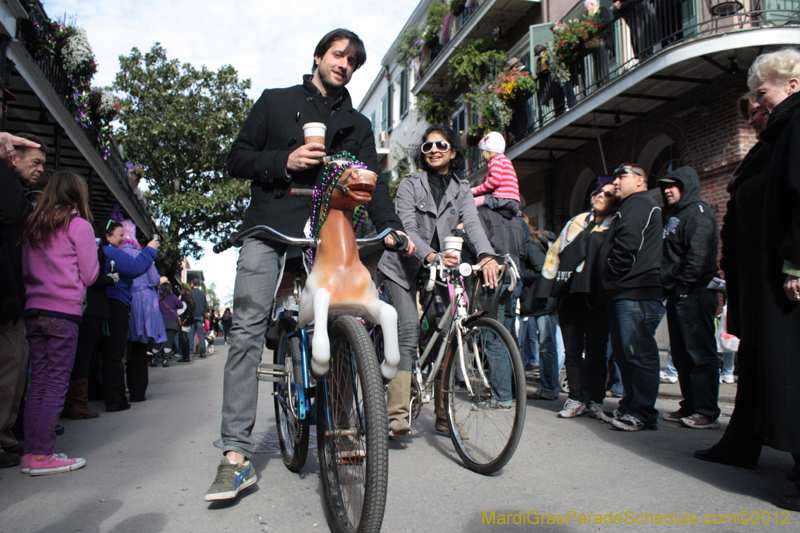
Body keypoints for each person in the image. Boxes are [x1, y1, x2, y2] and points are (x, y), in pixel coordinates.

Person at [206, 28, 415, 502]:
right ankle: (236, 456)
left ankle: (341, 426)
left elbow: (372, 182)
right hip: (271, 225)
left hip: (329, 231)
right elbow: (236, 159)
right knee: (246, 328)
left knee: (346, 317)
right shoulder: (275, 102)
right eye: (339, 55)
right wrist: (286, 159)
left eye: (354, 61)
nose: (345, 64)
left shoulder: (358, 124)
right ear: (319, 56)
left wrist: (389, 224)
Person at [378, 125, 499, 436]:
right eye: (427, 146)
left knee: (448, 333)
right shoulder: (409, 184)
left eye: (440, 145)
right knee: (408, 328)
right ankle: (396, 415)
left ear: (453, 152)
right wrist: (432, 256)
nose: (432, 150)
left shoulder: (461, 188)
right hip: (401, 267)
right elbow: (407, 226)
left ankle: (444, 415)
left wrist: (486, 254)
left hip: (439, 270)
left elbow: (472, 221)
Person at [694, 94, 771, 469]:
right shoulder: (762, 152)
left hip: (777, 276)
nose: (754, 118)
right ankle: (742, 442)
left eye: (761, 109)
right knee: (753, 367)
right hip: (754, 277)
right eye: (752, 112)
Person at [746, 47, 800, 511]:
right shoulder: (785, 130)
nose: (757, 104)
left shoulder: (798, 125)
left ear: (793, 85)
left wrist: (796, 263)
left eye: (762, 93)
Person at [20, 171, 99, 475]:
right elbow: (90, 275)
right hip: (63, 312)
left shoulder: (33, 226)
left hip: (34, 310)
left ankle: (31, 453)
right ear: (78, 195)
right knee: (56, 383)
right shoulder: (78, 226)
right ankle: (43, 454)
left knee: (38, 381)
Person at [537, 181, 619, 418]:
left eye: (607, 194)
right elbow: (554, 253)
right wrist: (547, 287)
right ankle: (575, 398)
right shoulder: (576, 222)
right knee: (572, 351)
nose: (600, 196)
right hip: (569, 294)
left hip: (596, 296)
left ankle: (595, 399)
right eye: (597, 192)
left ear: (615, 201)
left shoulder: (615, 224)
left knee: (596, 351)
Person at [598, 164, 664, 431]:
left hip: (635, 293)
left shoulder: (638, 204)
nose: (615, 182)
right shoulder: (631, 205)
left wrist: (612, 278)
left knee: (639, 354)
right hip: (625, 292)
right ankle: (631, 406)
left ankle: (643, 413)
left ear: (639, 181)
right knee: (626, 356)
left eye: (621, 177)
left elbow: (628, 246)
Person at [657, 167, 721, 430]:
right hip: (677, 293)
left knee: (700, 354)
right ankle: (690, 405)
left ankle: (706, 411)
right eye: (665, 186)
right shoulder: (674, 215)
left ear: (687, 186)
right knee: (682, 355)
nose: (668, 190)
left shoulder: (699, 214)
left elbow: (699, 256)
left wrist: (683, 286)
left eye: (674, 185)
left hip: (695, 293)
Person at [0, 90, 39, 468]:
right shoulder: (8, 182)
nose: (40, 168)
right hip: (8, 292)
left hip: (15, 294)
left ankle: (8, 435)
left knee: (17, 365)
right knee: (10, 365)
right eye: (35, 162)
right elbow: (12, 212)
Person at [99, 218, 159, 412]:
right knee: (119, 353)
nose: (122, 239)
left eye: (124, 235)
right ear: (108, 237)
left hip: (111, 303)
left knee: (108, 353)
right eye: (119, 235)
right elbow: (138, 270)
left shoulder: (104, 252)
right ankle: (118, 399)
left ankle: (99, 395)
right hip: (121, 305)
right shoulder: (115, 252)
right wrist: (150, 250)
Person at [63, 232, 118, 419]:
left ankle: (70, 402)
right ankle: (77, 403)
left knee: (73, 355)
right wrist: (112, 279)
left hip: (72, 306)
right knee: (83, 355)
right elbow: (91, 277)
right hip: (87, 308)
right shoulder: (87, 245)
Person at [518, 225, 559, 402]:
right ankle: (548, 387)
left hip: (542, 299)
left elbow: (540, 268)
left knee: (546, 344)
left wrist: (519, 273)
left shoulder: (531, 244)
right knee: (545, 343)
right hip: (541, 299)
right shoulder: (534, 242)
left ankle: (549, 388)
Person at [126, 236, 166, 398]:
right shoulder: (144, 255)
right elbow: (155, 279)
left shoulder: (116, 253)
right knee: (140, 349)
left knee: (123, 351)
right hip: (143, 305)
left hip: (125, 301)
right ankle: (138, 392)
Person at [471, 131, 520, 217]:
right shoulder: (505, 160)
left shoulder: (495, 161)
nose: (482, 155)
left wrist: (476, 190)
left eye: (483, 151)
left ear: (489, 151)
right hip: (514, 201)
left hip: (502, 199)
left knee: (472, 203)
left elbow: (495, 181)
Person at [156, 281, 184, 367]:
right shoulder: (173, 297)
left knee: (158, 341)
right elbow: (181, 305)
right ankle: (165, 360)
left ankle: (153, 358)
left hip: (160, 321)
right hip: (172, 322)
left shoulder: (158, 298)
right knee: (169, 341)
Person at [189, 278, 207, 357]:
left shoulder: (189, 293)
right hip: (200, 315)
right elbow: (205, 306)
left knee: (191, 334)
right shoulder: (203, 294)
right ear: (199, 284)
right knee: (201, 334)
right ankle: (202, 351)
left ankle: (190, 352)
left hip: (192, 315)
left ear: (192, 284)